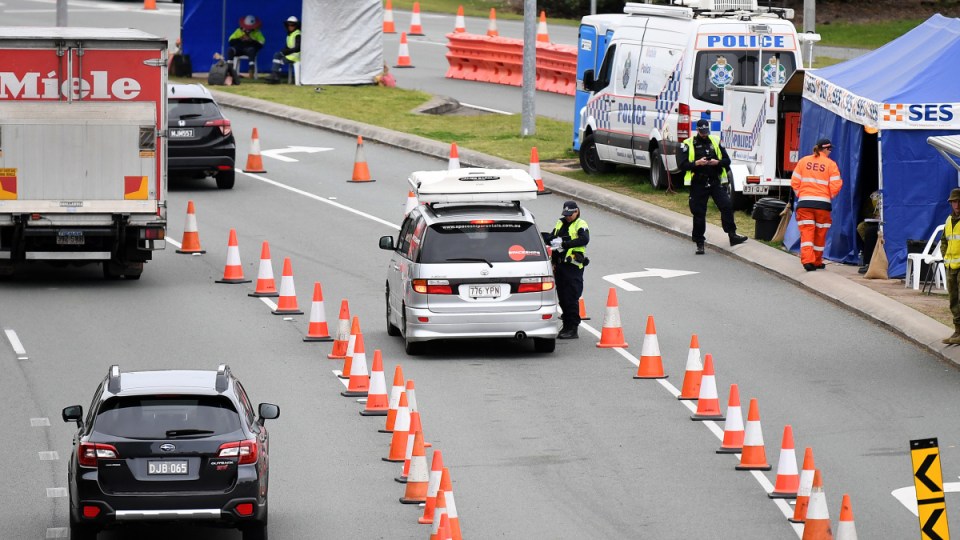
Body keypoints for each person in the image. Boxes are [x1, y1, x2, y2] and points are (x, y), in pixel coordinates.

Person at [677, 118, 748, 254]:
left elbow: (727, 160)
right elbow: (682, 165)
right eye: (702, 131)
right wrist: (697, 163)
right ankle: (699, 242)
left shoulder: (715, 141)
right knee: (699, 213)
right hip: (698, 182)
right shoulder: (688, 143)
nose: (704, 134)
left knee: (726, 205)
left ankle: (732, 235)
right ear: (697, 130)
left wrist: (717, 162)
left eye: (706, 131)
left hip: (714, 181)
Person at [790, 138, 843, 271]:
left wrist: (801, 195)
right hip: (823, 206)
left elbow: (794, 182)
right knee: (820, 234)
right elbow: (836, 185)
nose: (830, 152)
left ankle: (808, 261)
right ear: (825, 149)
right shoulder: (831, 165)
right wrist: (827, 196)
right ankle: (817, 261)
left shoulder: (803, 161)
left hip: (805, 204)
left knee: (807, 233)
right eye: (830, 149)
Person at [550, 201, 590, 339]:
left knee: (571, 297)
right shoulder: (560, 223)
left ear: (576, 211)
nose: (568, 217)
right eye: (565, 214)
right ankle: (566, 326)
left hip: (572, 267)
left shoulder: (581, 224)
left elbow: (584, 240)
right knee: (562, 298)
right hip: (560, 266)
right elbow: (553, 239)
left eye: (570, 214)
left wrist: (565, 244)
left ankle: (573, 328)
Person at [940, 188, 960, 344]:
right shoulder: (948, 220)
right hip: (951, 267)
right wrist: (945, 256)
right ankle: (957, 331)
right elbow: (944, 241)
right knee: (953, 299)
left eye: (959, 201)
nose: (957, 205)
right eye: (954, 202)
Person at [265, 16, 301, 84]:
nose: (290, 26)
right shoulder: (290, 34)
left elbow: (298, 48)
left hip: (296, 56)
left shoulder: (297, 34)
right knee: (277, 55)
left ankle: (275, 77)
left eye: (292, 25)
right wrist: (284, 50)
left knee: (279, 61)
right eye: (289, 25)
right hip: (291, 54)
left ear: (296, 25)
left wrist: (286, 51)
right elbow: (288, 46)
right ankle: (275, 76)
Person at [856, 190, 881, 274]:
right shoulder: (874, 196)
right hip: (875, 221)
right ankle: (870, 253)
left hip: (885, 223)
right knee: (861, 227)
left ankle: (869, 262)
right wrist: (874, 216)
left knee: (870, 232)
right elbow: (868, 211)